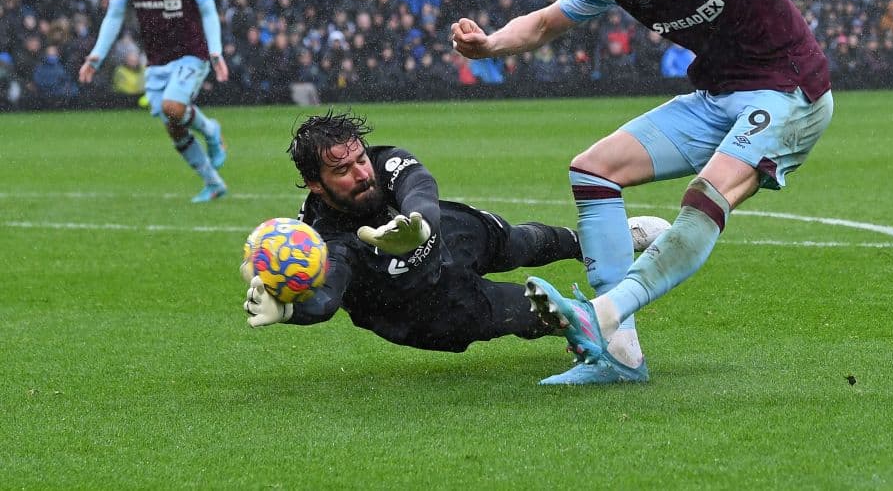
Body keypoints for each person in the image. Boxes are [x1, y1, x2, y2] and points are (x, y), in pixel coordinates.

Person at [450, 0, 893, 383]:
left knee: (704, 196)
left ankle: (603, 314)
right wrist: (489, 46)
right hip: (719, 97)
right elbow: (547, 23)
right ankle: (618, 355)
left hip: (790, 92)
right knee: (592, 170)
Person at [241, 109, 666, 381]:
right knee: (537, 309)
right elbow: (327, 296)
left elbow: (418, 184)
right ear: (316, 184)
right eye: (342, 170)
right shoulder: (325, 237)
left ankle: (593, 241)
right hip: (424, 306)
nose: (361, 173)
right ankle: (592, 326)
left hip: (448, 236)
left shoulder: (384, 161)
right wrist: (291, 310)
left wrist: (421, 225)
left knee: (520, 241)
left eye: (359, 159)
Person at [78, 0, 229, 203]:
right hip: (157, 61)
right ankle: (213, 183)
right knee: (174, 127)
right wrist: (95, 56)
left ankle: (211, 131)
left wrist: (215, 51)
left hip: (192, 54)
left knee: (174, 107)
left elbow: (209, 11)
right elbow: (114, 16)